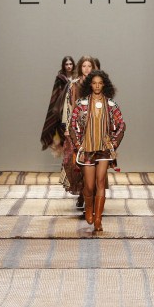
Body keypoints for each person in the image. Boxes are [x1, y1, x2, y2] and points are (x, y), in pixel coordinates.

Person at [69, 70, 125, 232]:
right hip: (87, 148)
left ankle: (98, 218)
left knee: (100, 182)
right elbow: (72, 125)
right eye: (94, 83)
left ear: (104, 85)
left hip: (104, 149)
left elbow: (121, 124)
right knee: (89, 185)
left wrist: (113, 143)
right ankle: (89, 208)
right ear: (90, 85)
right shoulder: (82, 104)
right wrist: (78, 143)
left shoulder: (111, 105)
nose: (97, 86)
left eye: (100, 83)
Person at [62, 56, 96, 207]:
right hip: (76, 127)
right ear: (80, 68)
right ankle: (82, 193)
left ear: (93, 68)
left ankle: (89, 194)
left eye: (89, 66)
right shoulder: (74, 85)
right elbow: (68, 107)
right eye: (84, 66)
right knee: (75, 162)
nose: (87, 69)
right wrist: (67, 128)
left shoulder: (97, 84)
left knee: (92, 161)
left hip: (93, 127)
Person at [40, 56, 76, 154]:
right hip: (63, 110)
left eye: (70, 64)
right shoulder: (60, 78)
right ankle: (66, 159)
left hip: (75, 108)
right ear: (63, 66)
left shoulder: (77, 77)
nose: (69, 66)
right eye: (66, 64)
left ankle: (75, 159)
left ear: (73, 65)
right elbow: (56, 95)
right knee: (64, 134)